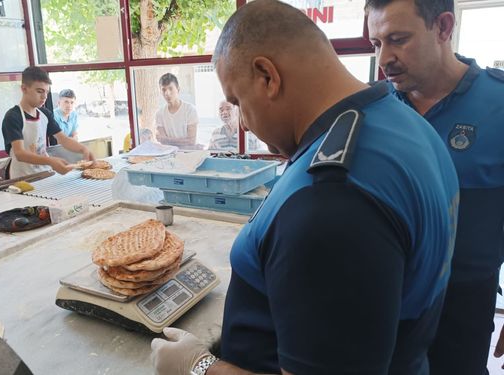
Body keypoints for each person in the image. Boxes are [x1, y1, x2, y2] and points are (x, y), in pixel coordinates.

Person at [151, 1, 459, 374]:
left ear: (267, 76)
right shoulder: (405, 125)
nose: (244, 124)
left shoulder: (330, 202)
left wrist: (197, 367)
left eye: (237, 101)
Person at [366, 1, 504, 373]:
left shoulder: (500, 104)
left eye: (398, 39)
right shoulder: (371, 111)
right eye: (376, 43)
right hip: (383, 305)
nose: (385, 58)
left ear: (443, 27)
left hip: (463, 308)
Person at [2, 67, 94, 179]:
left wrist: (83, 149)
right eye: (39, 91)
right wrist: (51, 161)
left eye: (46, 92)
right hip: (23, 178)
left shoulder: (44, 114)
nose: (44, 96)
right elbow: (20, 154)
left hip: (45, 174)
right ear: (24, 89)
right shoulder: (13, 116)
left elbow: (63, 139)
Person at [155, 73, 199, 148]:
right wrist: (181, 141)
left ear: (178, 89)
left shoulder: (190, 110)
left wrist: (167, 140)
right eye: (164, 90)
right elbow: (162, 141)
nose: (167, 93)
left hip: (188, 154)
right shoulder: (159, 113)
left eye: (170, 88)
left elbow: (191, 141)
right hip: (168, 154)